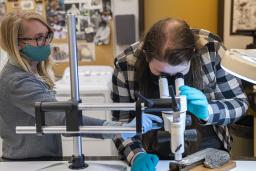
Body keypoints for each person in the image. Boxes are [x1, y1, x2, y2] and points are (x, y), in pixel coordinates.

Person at [0, 11, 162, 160]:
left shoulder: (33, 72)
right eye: (39, 38)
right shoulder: (17, 81)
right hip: (24, 162)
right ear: (18, 43)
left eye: (47, 35)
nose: (46, 43)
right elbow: (62, 119)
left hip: (39, 158)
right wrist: (119, 129)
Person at [111, 18, 249, 171]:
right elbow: (121, 123)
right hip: (152, 155)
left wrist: (209, 111)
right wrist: (136, 155)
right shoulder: (126, 66)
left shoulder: (211, 51)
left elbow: (240, 103)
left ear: (193, 54)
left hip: (208, 155)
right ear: (146, 55)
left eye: (179, 73)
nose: (169, 79)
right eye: (160, 73)